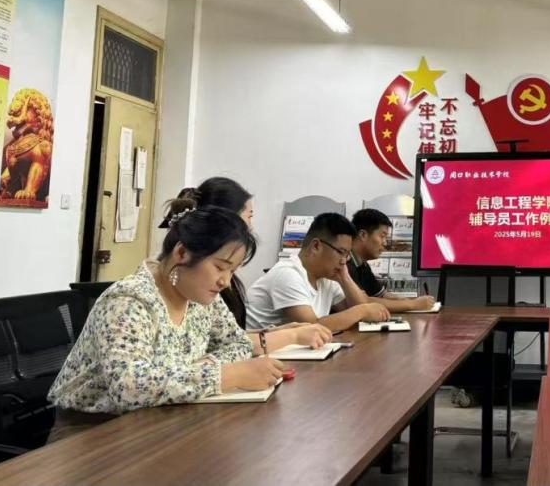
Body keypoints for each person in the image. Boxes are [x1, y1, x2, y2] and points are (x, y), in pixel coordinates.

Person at [48, 207, 286, 440]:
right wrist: (227, 375)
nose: (225, 281)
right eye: (220, 267)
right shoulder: (128, 300)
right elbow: (129, 388)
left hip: (162, 420)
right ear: (181, 253)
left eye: (232, 271)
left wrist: (206, 365)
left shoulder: (202, 297)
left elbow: (239, 343)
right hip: (92, 433)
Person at [161, 178, 329, 354]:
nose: (225, 281)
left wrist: (277, 333)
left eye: (231, 270)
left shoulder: (207, 287)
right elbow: (194, 360)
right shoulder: (185, 287)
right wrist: (290, 336)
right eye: (249, 216)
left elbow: (231, 339)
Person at [245, 212, 390, 331]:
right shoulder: (287, 273)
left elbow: (355, 309)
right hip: (259, 354)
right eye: (341, 252)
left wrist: (345, 278)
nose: (344, 261)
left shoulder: (327, 278)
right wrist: (363, 311)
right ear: (316, 246)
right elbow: (311, 326)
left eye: (347, 255)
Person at [349, 209, 436, 313]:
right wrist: (413, 304)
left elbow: (381, 295)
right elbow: (362, 301)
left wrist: (409, 300)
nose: (385, 243)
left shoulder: (363, 265)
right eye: (382, 236)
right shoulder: (345, 264)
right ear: (363, 235)